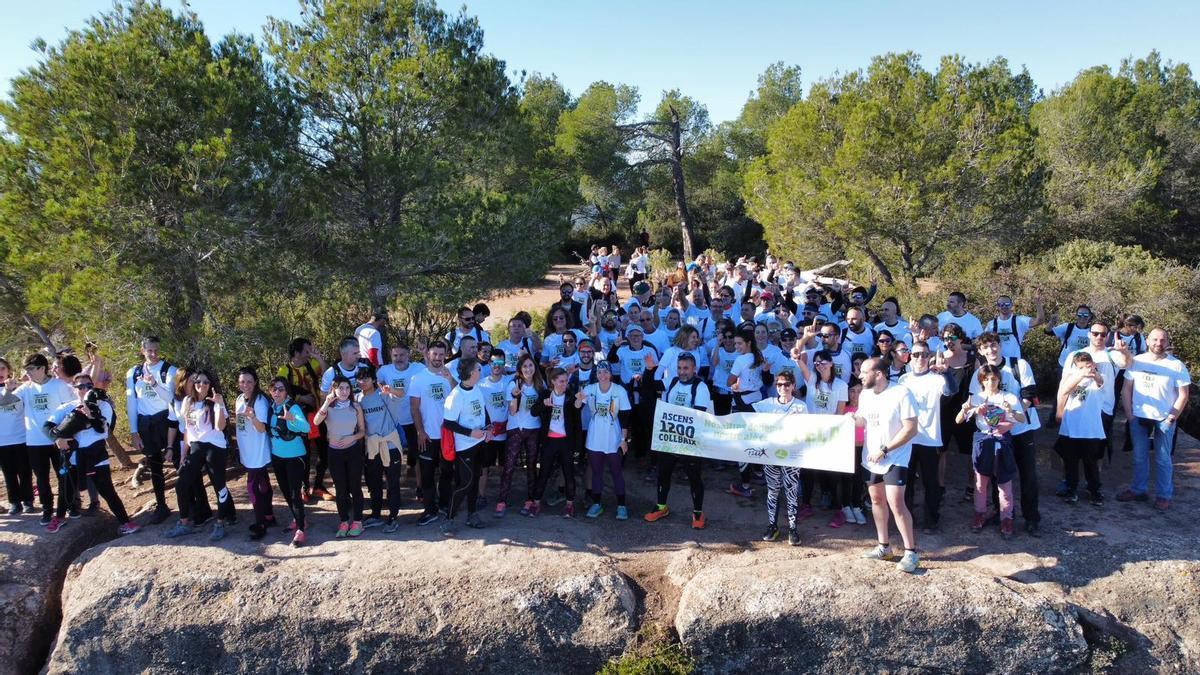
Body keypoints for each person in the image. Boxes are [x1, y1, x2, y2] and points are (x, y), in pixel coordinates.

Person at [849, 357, 921, 574]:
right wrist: (850, 420)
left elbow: (911, 429)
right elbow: (863, 421)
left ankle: (911, 552)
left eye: (864, 371)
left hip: (895, 457)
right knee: (876, 500)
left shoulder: (901, 393)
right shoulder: (865, 394)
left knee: (896, 503)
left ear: (878, 374)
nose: (859, 375)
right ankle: (884, 547)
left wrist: (885, 449)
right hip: (871, 458)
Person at [44, 374, 139, 535]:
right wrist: (57, 439)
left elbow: (103, 430)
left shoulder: (103, 406)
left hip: (96, 455)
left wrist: (90, 415)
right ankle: (59, 518)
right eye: (80, 387)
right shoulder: (67, 407)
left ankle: (125, 522)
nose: (84, 389)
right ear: (74, 389)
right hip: (73, 456)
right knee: (65, 488)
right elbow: (47, 426)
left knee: (107, 490)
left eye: (88, 386)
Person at [972, 332, 1042, 535]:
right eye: (985, 347)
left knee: (1027, 473)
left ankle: (1031, 518)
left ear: (1000, 345)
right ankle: (1001, 513)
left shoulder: (1018, 365)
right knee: (997, 474)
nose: (991, 350)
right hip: (996, 433)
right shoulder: (982, 372)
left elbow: (1029, 395)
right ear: (980, 351)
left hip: (1022, 429)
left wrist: (1010, 420)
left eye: (994, 345)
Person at [1119, 328, 1191, 511]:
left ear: (1167, 342)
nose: (1159, 343)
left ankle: (1163, 495)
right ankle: (1138, 490)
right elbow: (1126, 388)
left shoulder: (1176, 366)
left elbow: (1183, 395)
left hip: (1164, 419)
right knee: (1139, 456)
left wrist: (1171, 417)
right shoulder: (1136, 361)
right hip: (1139, 416)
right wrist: (1130, 415)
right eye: (1155, 339)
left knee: (1162, 458)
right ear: (1148, 341)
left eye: (1162, 340)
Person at [3, 354, 76, 527]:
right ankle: (47, 509)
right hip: (35, 442)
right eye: (25, 369)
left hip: (58, 439)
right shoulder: (25, 388)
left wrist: (65, 435)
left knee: (64, 475)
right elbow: (4, 404)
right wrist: (8, 390)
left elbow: (71, 410)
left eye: (30, 369)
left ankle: (71, 505)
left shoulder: (59, 385)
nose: (27, 373)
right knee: (42, 479)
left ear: (42, 368)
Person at [164, 369, 234, 540]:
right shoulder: (188, 401)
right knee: (181, 485)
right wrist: (183, 455)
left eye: (206, 382)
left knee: (219, 486)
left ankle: (220, 523)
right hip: (196, 447)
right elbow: (187, 429)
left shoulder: (216, 401)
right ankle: (184, 522)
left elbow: (219, 427)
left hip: (214, 447)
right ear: (193, 385)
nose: (202, 385)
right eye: (198, 382)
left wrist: (218, 405)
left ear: (210, 385)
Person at [957, 365, 1026, 539]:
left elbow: (1022, 418)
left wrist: (1010, 411)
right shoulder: (976, 398)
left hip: (1003, 441)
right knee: (980, 482)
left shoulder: (1008, 397)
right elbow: (958, 420)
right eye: (986, 379)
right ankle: (979, 514)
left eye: (993, 379)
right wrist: (969, 410)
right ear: (981, 381)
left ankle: (1007, 519)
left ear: (999, 380)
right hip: (983, 440)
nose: (990, 382)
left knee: (1004, 483)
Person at [645, 354, 710, 528]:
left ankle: (697, 512)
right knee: (663, 473)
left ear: (694, 369)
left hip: (690, 441)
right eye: (680, 368)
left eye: (686, 368)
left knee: (694, 478)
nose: (682, 372)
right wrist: (649, 369)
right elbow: (650, 386)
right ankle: (661, 506)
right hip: (669, 439)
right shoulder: (672, 381)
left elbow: (698, 414)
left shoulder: (700, 387)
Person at [899, 341, 957, 534]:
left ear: (929, 356)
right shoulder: (903, 380)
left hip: (929, 438)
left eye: (924, 354)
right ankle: (907, 518)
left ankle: (931, 520)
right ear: (909, 357)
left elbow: (951, 391)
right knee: (906, 482)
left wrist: (946, 372)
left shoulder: (937, 378)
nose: (920, 358)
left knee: (931, 482)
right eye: (916, 354)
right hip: (907, 438)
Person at [124, 336, 178, 524]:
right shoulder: (133, 372)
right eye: (149, 351)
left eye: (156, 350)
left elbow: (170, 398)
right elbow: (132, 402)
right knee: (155, 466)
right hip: (146, 424)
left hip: (166, 420)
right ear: (142, 350)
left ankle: (190, 503)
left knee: (179, 462)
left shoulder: (169, 370)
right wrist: (133, 431)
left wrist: (153, 384)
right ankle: (161, 505)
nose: (153, 354)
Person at [754, 371, 807, 545]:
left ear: (793, 386)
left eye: (786, 384)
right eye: (779, 385)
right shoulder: (767, 404)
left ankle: (793, 529)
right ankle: (772, 526)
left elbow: (809, 430)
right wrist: (737, 391)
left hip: (792, 456)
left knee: (791, 492)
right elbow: (746, 413)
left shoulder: (800, 406)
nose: (782, 388)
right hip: (770, 455)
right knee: (773, 490)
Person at [441, 359, 492, 535]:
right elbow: (448, 423)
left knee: (475, 480)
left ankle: (472, 515)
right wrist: (470, 433)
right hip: (465, 446)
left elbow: (483, 410)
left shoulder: (476, 388)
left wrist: (489, 427)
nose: (481, 370)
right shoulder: (456, 396)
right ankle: (449, 519)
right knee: (465, 483)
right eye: (478, 368)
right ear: (472, 373)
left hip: (480, 442)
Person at [579, 360, 632, 520]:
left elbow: (625, 416)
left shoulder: (619, 390)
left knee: (616, 472)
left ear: (611, 373)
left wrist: (623, 439)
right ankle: (597, 504)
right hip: (595, 438)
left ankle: (621, 506)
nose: (603, 375)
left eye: (606, 372)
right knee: (596, 472)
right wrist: (578, 398)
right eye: (599, 372)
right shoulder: (590, 389)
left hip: (613, 438)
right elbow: (576, 406)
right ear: (596, 374)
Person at [314, 376, 366, 538]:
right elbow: (316, 422)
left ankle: (357, 521)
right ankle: (344, 521)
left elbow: (362, 432)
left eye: (347, 388)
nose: (344, 392)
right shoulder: (328, 407)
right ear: (334, 389)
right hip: (334, 453)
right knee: (341, 489)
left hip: (353, 452)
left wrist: (352, 437)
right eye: (341, 388)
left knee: (355, 487)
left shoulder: (355, 407)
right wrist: (326, 402)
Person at [410, 342, 456, 526]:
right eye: (434, 354)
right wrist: (420, 431)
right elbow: (414, 408)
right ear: (428, 355)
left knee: (447, 472)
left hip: (447, 434)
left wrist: (451, 379)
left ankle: (444, 504)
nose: (438, 358)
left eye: (441, 354)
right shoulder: (418, 378)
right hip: (428, 435)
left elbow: (459, 397)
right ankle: (430, 509)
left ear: (445, 355)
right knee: (427, 474)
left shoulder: (449, 375)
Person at [278, 337, 328, 503]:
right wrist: (301, 398)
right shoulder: (284, 371)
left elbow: (328, 375)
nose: (310, 353)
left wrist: (319, 358)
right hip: (298, 419)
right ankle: (304, 487)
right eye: (307, 350)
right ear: (297, 353)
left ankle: (319, 485)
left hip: (318, 415)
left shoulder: (311, 365)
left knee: (324, 452)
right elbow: (280, 393)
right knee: (304, 454)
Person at [528, 368, 581, 517]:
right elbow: (533, 412)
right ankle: (536, 502)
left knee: (569, 473)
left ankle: (570, 504)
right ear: (553, 381)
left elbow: (576, 416)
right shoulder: (545, 394)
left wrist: (578, 402)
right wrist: (543, 405)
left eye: (566, 381)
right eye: (561, 381)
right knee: (544, 473)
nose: (565, 384)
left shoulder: (570, 396)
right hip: (549, 441)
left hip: (566, 441)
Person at [265, 376, 311, 547]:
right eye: (274, 389)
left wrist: (292, 418)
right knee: (285, 491)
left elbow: (306, 428)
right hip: (278, 455)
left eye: (281, 389)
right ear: (270, 391)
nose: (277, 392)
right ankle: (299, 519)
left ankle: (300, 529)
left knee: (294, 493)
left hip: (295, 456)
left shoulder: (293, 407)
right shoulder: (271, 407)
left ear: (286, 392)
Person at [1056, 352, 1107, 505]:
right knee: (1070, 462)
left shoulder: (1097, 379)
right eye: (1081, 367)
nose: (1086, 369)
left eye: (1088, 365)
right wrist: (1080, 375)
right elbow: (1064, 391)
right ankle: (1071, 489)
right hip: (1071, 429)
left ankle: (1094, 490)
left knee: (1090, 463)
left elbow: (1100, 381)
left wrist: (1092, 373)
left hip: (1090, 430)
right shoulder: (1072, 379)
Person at [497, 354, 544, 518]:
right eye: (525, 366)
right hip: (516, 428)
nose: (528, 369)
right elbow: (512, 411)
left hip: (533, 429)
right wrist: (516, 396)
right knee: (509, 466)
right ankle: (502, 501)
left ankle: (530, 500)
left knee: (531, 466)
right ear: (519, 369)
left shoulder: (540, 384)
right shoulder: (513, 384)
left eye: (531, 366)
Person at [357, 368, 404, 531]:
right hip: (372, 446)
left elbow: (401, 394)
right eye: (359, 379)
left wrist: (390, 390)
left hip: (390, 444)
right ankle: (376, 515)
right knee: (374, 482)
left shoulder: (383, 394)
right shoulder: (358, 398)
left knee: (392, 483)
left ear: (373, 379)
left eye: (366, 378)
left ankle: (393, 517)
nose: (362, 382)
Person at [376, 343, 425, 492]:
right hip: (393, 421)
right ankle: (391, 489)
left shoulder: (418, 368)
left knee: (417, 456)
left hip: (412, 420)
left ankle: (420, 488)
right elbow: (378, 383)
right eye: (395, 355)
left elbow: (431, 371)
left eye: (402, 355)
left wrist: (425, 354)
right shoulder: (385, 370)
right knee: (390, 457)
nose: (398, 358)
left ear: (408, 355)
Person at [727, 329, 769, 498]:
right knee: (757, 439)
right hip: (757, 402)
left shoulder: (741, 359)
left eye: (739, 343)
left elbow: (729, 380)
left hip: (741, 403)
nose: (736, 346)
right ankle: (759, 473)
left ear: (748, 343)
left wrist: (734, 383)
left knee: (742, 443)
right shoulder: (758, 356)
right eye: (735, 343)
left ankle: (744, 484)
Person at [234, 367, 274, 540]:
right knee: (263, 482)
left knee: (252, 487)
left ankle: (260, 524)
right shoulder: (239, 399)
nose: (246, 385)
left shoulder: (259, 401)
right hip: (247, 450)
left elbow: (262, 428)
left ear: (255, 382)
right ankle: (268, 516)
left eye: (249, 381)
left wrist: (253, 417)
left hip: (258, 450)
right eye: (242, 381)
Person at [476, 350, 512, 511]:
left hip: (506, 432)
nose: (496, 366)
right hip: (488, 433)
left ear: (504, 364)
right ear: (489, 364)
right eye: (493, 363)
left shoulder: (509, 381)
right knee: (484, 466)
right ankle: (481, 496)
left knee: (504, 466)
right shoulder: (481, 384)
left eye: (500, 363)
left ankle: (502, 497)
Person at [0, 358, 32, 515]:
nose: (0, 372)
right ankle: (14, 502)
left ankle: (28, 501)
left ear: (9, 370)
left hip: (21, 437)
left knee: (24, 471)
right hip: (2, 440)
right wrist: (7, 391)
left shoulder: (21, 389)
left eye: (2, 368)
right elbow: (2, 402)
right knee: (9, 473)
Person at [987, 295, 1045, 359]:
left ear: (1011, 305)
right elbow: (983, 343)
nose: (1004, 306)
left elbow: (1040, 320)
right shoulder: (991, 324)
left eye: (1007, 304)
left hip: (1015, 364)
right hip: (996, 363)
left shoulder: (1020, 321)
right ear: (997, 306)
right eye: (1001, 304)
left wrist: (1038, 303)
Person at [1046, 305, 1095, 370]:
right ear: (1076, 315)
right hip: (1064, 365)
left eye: (1085, 315)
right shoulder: (1068, 327)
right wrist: (1051, 322)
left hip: (1083, 367)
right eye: (1080, 314)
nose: (1082, 317)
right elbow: (1048, 331)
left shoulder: (1093, 331)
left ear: (1089, 316)